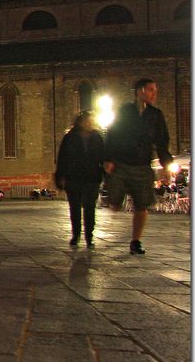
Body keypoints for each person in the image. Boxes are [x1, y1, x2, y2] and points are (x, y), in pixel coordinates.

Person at [104, 78, 173, 255]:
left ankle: (136, 241)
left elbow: (162, 142)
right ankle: (114, 201)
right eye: (151, 90)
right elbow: (113, 134)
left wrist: (166, 165)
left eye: (155, 90)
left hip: (142, 165)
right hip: (121, 162)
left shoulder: (156, 115)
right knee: (114, 202)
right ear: (140, 91)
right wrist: (108, 158)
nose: (154, 94)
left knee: (142, 205)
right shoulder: (125, 111)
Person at [55, 111, 106, 248]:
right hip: (74, 177)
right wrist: (60, 176)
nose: (90, 123)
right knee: (75, 208)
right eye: (87, 121)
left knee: (90, 208)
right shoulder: (70, 137)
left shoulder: (97, 137)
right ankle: (76, 235)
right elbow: (62, 158)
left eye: (91, 121)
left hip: (92, 177)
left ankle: (89, 236)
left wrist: (106, 173)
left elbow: (103, 156)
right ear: (80, 122)